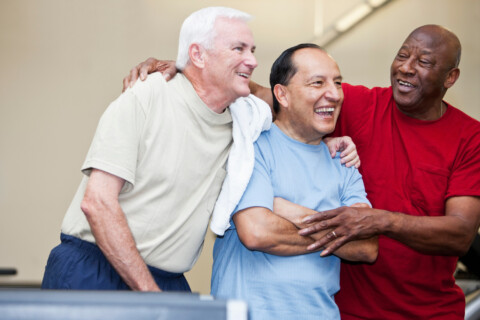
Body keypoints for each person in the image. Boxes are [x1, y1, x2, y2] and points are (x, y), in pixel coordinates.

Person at [126, 25, 480, 318]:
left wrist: (376, 221)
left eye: (424, 62)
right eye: (403, 55)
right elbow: (257, 231)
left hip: (429, 311)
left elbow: (451, 235)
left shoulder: (466, 137)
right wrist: (190, 69)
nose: (406, 67)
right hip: (351, 309)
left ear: (451, 77)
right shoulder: (275, 138)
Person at [41, 6, 264, 292]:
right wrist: (151, 297)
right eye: (239, 49)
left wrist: (331, 140)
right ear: (197, 54)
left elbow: (293, 106)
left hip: (166, 281)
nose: (253, 60)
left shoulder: (244, 119)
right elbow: (97, 203)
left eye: (253, 50)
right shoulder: (148, 93)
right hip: (96, 270)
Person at [210, 43, 378, 320]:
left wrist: (282, 207)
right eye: (317, 83)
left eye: (337, 83)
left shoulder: (343, 161)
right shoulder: (251, 147)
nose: (334, 94)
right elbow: (257, 233)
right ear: (282, 95)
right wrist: (337, 230)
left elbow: (366, 246)